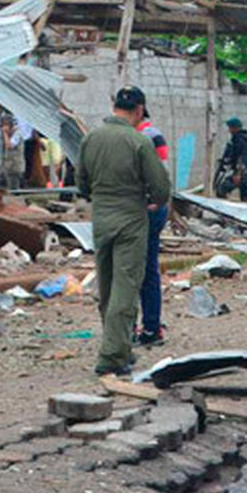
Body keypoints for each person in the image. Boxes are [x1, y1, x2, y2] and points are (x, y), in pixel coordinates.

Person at [77, 86, 170, 376]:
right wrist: (152, 202)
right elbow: (161, 189)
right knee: (126, 287)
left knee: (106, 286)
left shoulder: (90, 138)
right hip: (131, 220)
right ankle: (113, 356)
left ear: (114, 105)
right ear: (139, 110)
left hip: (101, 219)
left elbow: (81, 185)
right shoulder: (138, 141)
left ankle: (119, 347)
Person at [135, 111, 170, 346]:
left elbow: (159, 173)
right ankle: (150, 327)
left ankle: (145, 327)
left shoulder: (145, 136)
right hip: (151, 207)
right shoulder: (153, 135)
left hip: (144, 208)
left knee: (137, 270)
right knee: (148, 269)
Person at [214, 117, 247, 201]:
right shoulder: (238, 139)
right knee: (245, 198)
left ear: (235, 128)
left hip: (242, 173)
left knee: (221, 191)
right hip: (244, 173)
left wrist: (238, 173)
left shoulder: (240, 141)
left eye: (230, 128)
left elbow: (241, 158)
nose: (229, 130)